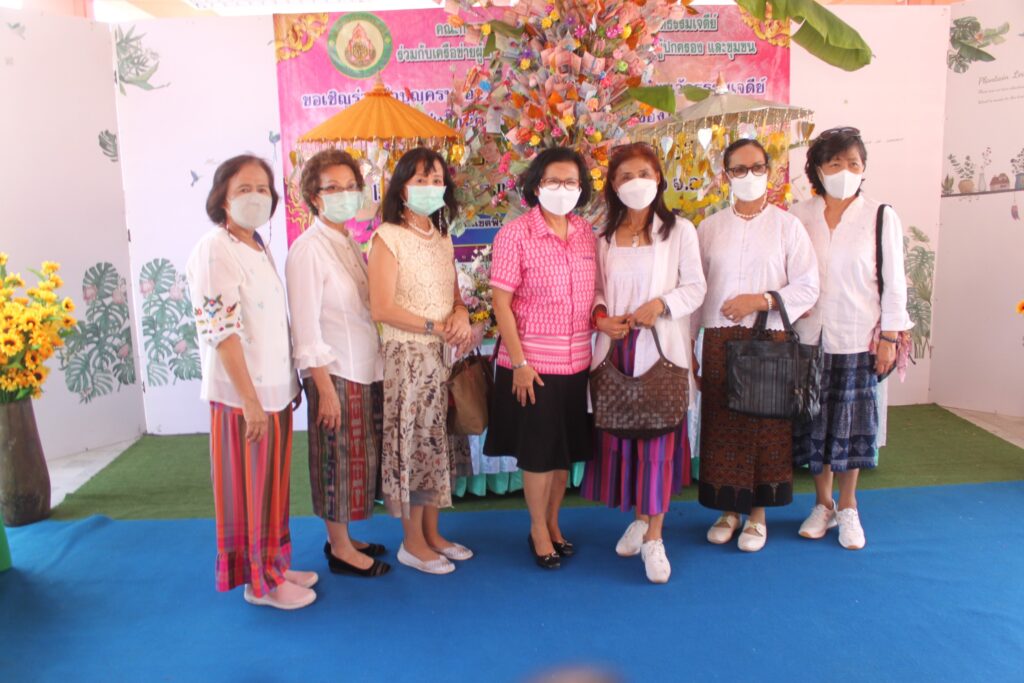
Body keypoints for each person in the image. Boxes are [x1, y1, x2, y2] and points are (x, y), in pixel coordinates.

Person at [186, 154, 317, 609]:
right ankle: (259, 584)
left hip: (274, 392)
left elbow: (272, 325)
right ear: (222, 198)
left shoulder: (258, 246)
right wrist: (250, 400)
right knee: (251, 493)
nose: (256, 197)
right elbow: (222, 332)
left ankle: (275, 564)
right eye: (244, 189)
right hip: (244, 398)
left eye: (263, 188)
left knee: (274, 490)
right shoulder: (215, 249)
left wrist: (289, 383)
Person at [580, 143, 706, 584]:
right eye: (626, 176)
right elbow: (595, 290)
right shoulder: (603, 237)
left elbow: (696, 288)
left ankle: (654, 536)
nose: (636, 183)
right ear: (613, 186)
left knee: (657, 442)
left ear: (659, 179)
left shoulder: (679, 231)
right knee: (625, 439)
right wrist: (601, 317)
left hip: (660, 349)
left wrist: (662, 304)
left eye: (645, 174)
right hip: (617, 349)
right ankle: (639, 517)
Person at [692, 138, 819, 553]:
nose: (749, 176)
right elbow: (696, 292)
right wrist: (689, 348)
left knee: (766, 429)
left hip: (768, 341)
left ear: (770, 171)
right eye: (739, 169)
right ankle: (728, 510)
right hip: (718, 341)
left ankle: (758, 516)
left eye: (757, 167)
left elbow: (808, 286)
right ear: (725, 175)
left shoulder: (787, 226)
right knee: (722, 427)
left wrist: (760, 300)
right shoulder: (709, 228)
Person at [791, 126, 912, 550]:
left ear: (864, 169)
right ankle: (822, 504)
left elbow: (894, 282)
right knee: (814, 424)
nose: (845, 171)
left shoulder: (879, 216)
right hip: (808, 338)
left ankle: (848, 506)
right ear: (818, 169)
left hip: (857, 336)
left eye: (854, 163)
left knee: (851, 425)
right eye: (835, 163)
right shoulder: (799, 214)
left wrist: (890, 337)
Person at [485, 147, 596, 570]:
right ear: (535, 185)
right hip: (532, 365)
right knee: (538, 454)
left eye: (571, 182)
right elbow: (501, 303)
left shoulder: (585, 232)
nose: (562, 189)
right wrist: (519, 363)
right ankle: (537, 529)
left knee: (563, 453)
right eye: (552, 181)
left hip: (578, 361)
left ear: (581, 188)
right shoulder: (516, 234)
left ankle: (553, 522)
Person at [368, 147, 475, 575]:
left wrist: (461, 316)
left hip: (439, 358)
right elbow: (382, 307)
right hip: (407, 358)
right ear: (401, 188)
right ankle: (411, 543)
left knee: (435, 445)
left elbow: (454, 296)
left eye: (436, 180)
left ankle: (432, 534)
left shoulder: (441, 236)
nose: (430, 187)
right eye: (420, 180)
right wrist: (435, 326)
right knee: (412, 447)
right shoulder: (387, 237)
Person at [286, 149, 389, 577]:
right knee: (336, 459)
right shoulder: (307, 250)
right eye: (333, 188)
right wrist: (324, 388)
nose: (344, 195)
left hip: (363, 368)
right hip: (334, 372)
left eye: (350, 187)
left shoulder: (346, 241)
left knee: (356, 459)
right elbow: (305, 328)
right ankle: (342, 550)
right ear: (314, 196)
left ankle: (343, 538)